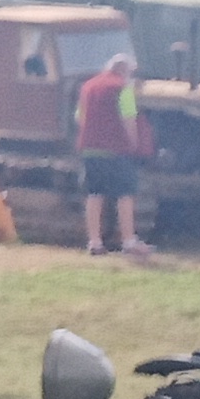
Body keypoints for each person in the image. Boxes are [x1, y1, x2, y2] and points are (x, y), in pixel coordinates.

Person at [76, 48, 150, 256]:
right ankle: (128, 241)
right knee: (125, 195)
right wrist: (134, 144)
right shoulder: (122, 88)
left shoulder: (88, 87)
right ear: (124, 70)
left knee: (94, 194)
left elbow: (80, 117)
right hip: (116, 150)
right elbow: (128, 118)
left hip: (90, 149)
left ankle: (94, 242)